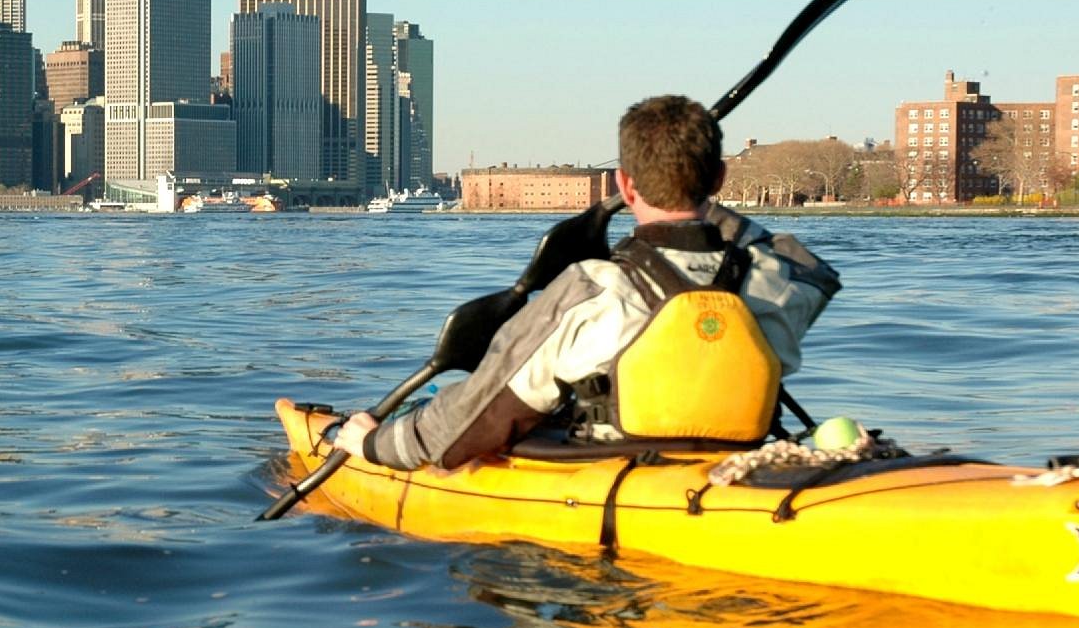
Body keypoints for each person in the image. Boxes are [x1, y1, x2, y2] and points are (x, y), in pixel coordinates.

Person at [335, 95, 841, 472]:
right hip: (745, 468)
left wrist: (373, 444)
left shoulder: (592, 291)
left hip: (614, 479)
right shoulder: (775, 280)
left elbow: (470, 423)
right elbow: (797, 260)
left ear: (623, 184)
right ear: (720, 180)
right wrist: (694, 184)